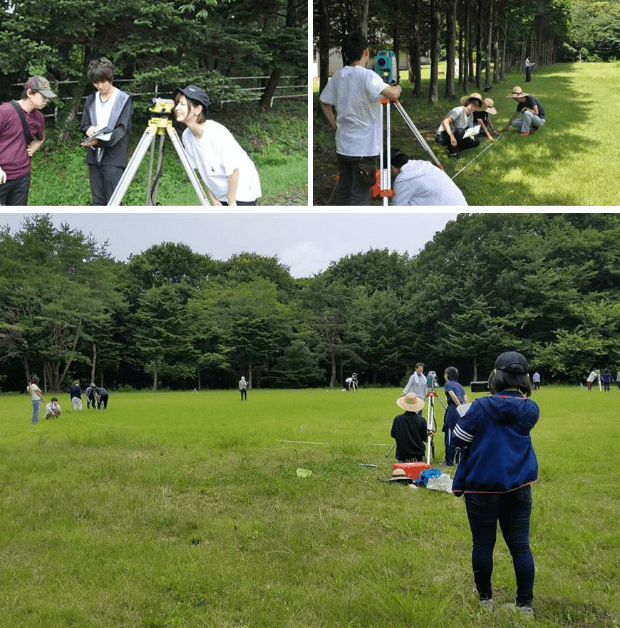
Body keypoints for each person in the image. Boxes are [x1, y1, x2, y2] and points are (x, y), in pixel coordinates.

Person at [451, 351, 539, 618]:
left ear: (496, 376)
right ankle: (524, 606)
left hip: (481, 487)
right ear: (524, 378)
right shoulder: (531, 409)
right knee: (521, 546)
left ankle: (485, 600)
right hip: (519, 485)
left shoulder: (480, 407)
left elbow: (458, 438)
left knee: (482, 544)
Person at [319, 32, 402, 205]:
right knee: (360, 195)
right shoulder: (368, 76)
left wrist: (335, 125)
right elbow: (392, 94)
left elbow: (324, 102)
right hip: (364, 150)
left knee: (345, 190)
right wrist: (397, 86)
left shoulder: (338, 76)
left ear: (345, 54)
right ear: (366, 52)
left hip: (343, 146)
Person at [173, 84, 261, 206]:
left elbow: (234, 170)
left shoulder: (216, 133)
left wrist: (231, 203)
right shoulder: (187, 136)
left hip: (243, 191)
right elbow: (202, 171)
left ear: (198, 109)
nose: (177, 108)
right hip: (221, 193)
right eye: (177, 104)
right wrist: (214, 200)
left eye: (182, 104)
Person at [80, 57, 133, 205]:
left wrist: (100, 141)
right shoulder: (91, 99)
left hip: (114, 159)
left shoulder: (123, 99)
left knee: (114, 201)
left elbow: (121, 130)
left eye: (103, 81)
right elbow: (84, 125)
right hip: (94, 158)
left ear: (110, 78)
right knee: (98, 201)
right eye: (96, 83)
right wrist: (88, 130)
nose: (100, 86)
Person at [0, 76, 56, 205]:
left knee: (17, 220)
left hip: (22, 176)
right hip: (2, 175)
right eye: (43, 96)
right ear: (30, 93)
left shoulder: (39, 118)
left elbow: (41, 138)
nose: (46, 101)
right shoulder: (5, 111)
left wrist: (32, 149)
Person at [385, 148, 467, 206]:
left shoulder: (403, 178)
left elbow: (397, 209)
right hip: (460, 205)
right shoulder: (423, 164)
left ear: (392, 167)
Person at [435, 92, 484, 159]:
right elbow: (445, 122)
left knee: (476, 141)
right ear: (468, 102)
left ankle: (455, 149)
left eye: (477, 106)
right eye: (473, 104)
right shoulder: (459, 110)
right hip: (443, 135)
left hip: (457, 134)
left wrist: (470, 134)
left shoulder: (471, 115)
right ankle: (452, 152)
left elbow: (470, 129)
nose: (474, 107)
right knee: (460, 131)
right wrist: (451, 136)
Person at [390, 392, 431, 463]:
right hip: (418, 455)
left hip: (402, 454)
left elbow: (393, 434)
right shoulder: (421, 420)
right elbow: (425, 438)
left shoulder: (397, 419)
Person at [442, 366, 468, 466]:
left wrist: (458, 405)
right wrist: (464, 408)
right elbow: (465, 398)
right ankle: (459, 459)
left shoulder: (448, 384)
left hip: (453, 409)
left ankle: (449, 461)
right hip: (461, 411)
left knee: (449, 434)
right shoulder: (460, 385)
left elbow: (453, 396)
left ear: (447, 375)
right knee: (460, 433)